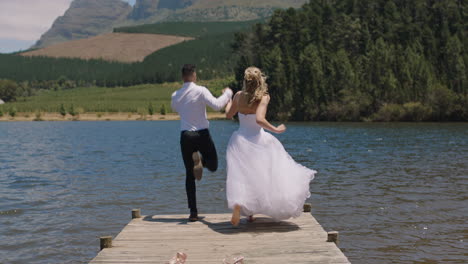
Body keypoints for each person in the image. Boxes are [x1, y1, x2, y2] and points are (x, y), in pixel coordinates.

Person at [225, 66, 316, 226]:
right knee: (264, 175)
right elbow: (259, 119)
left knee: (242, 176)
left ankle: (243, 207)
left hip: (239, 139)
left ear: (245, 81)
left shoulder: (239, 96)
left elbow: (228, 114)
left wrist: (228, 101)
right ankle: (251, 210)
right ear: (260, 80)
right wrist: (276, 129)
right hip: (258, 140)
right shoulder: (263, 97)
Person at [171, 64, 233, 221]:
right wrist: (228, 93)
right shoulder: (200, 90)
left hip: (185, 136)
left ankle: (193, 213)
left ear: (182, 77)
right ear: (193, 75)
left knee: (189, 175)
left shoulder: (175, 95)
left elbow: (174, 108)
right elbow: (218, 105)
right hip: (202, 134)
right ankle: (202, 163)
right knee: (213, 165)